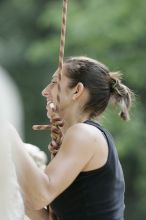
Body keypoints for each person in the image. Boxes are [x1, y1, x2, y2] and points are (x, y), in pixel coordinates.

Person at [12, 56, 133, 220]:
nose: (45, 91)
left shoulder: (84, 134)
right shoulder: (80, 136)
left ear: (77, 90)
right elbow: (43, 211)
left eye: (54, 82)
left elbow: (41, 195)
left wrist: (9, 134)